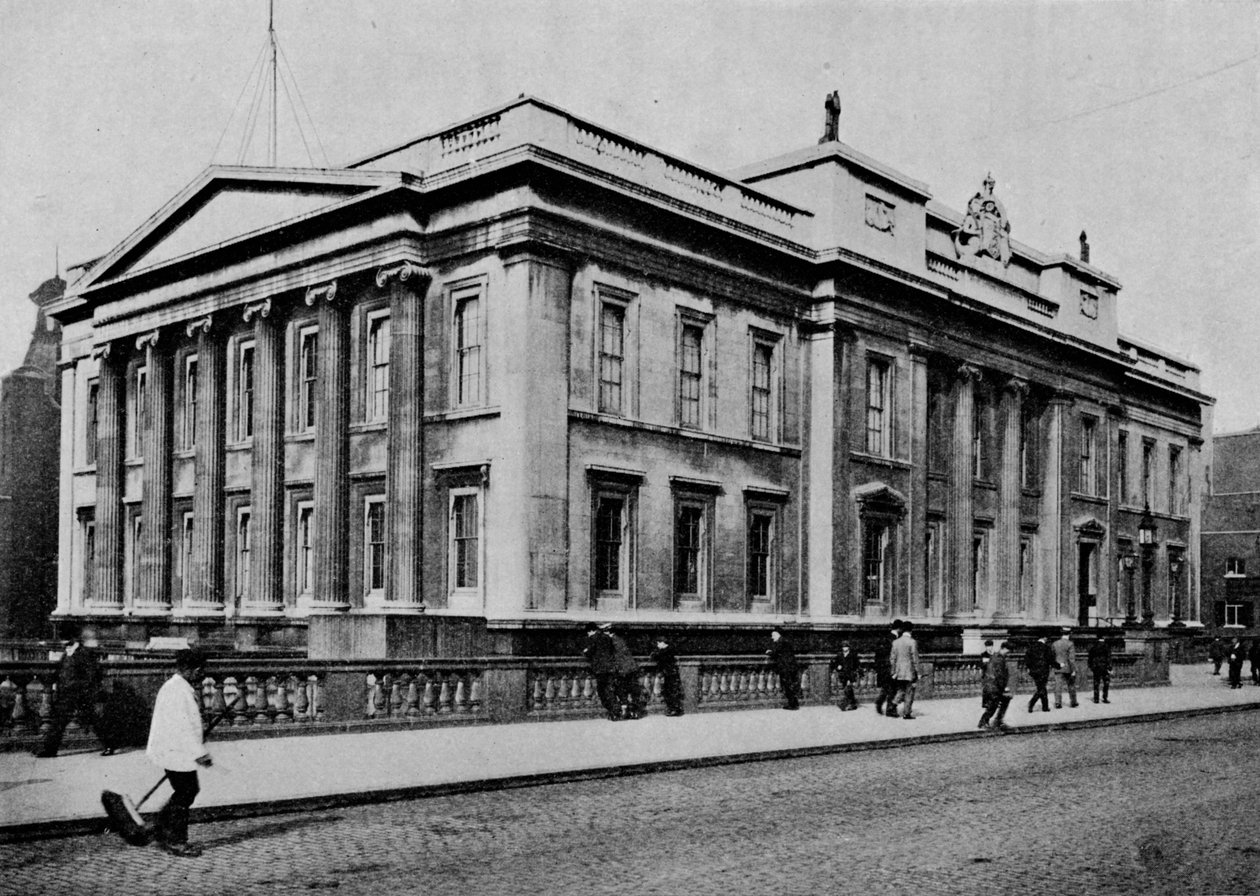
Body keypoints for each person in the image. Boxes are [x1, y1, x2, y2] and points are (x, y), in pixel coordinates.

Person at [146, 649, 212, 857]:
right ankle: (176, 841)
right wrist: (199, 753)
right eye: (201, 670)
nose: (202, 674)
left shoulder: (176, 687)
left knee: (185, 791)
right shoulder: (177, 691)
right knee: (186, 792)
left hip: (174, 749)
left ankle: (161, 830)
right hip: (175, 750)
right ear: (194, 669)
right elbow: (182, 727)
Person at [34, 637, 116, 758]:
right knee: (59, 721)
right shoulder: (67, 653)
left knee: (93, 720)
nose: (63, 644)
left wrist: (81, 688)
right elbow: (61, 673)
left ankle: (109, 745)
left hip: (81, 694)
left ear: (73, 641)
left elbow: (92, 674)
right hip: (67, 694)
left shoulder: (83, 653)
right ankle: (50, 749)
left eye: (66, 641)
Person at [582, 623, 621, 720]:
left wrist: (585, 651)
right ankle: (616, 711)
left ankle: (612, 711)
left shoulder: (593, 638)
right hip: (611, 667)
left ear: (590, 631)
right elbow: (612, 650)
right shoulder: (607, 637)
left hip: (600, 669)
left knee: (602, 690)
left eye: (588, 633)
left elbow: (590, 652)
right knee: (610, 689)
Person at [606, 626, 645, 720]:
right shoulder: (621, 640)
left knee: (621, 690)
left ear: (609, 632)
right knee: (632, 690)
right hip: (630, 668)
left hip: (622, 670)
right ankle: (634, 712)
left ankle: (624, 712)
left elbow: (616, 657)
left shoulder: (612, 641)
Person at [978, 641, 1013, 731]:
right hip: (994, 686)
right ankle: (985, 722)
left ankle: (996, 721)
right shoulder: (999, 659)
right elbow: (999, 675)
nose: (1008, 653)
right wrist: (1004, 687)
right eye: (1008, 651)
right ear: (1004, 649)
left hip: (993, 685)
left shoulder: (997, 657)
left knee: (1000, 702)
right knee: (993, 705)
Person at [889, 620, 920, 720]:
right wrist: (918, 672)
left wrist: (893, 672)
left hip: (899, 671)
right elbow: (915, 659)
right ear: (911, 630)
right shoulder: (912, 642)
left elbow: (892, 658)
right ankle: (907, 713)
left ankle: (893, 703)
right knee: (909, 692)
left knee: (901, 690)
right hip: (909, 671)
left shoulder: (896, 642)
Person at [766, 627, 802, 710]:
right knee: (789, 685)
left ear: (777, 634)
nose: (772, 637)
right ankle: (794, 703)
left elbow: (775, 652)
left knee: (787, 685)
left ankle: (793, 705)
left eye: (773, 635)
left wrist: (769, 652)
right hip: (789, 667)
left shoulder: (781, 642)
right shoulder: (784, 641)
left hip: (786, 667)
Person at [873, 620, 902, 717]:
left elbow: (878, 655)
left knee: (886, 688)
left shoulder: (884, 638)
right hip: (891, 668)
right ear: (899, 629)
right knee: (892, 689)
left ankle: (879, 702)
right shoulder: (895, 640)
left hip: (884, 668)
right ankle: (890, 710)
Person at [650, 636, 684, 717]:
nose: (657, 644)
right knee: (671, 692)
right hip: (671, 674)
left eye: (659, 643)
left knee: (670, 692)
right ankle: (674, 709)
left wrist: (658, 650)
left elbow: (654, 657)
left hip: (668, 674)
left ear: (663, 643)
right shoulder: (669, 650)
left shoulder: (665, 651)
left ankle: (673, 710)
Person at [1051, 628, 1079, 709]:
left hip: (1058, 667)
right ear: (1069, 634)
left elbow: (1053, 656)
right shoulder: (1070, 644)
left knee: (1058, 686)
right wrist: (1073, 670)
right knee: (1071, 685)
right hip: (1068, 668)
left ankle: (1057, 703)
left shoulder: (1055, 643)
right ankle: (1073, 702)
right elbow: (1071, 659)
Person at [1025, 634, 1054, 712]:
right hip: (1043, 671)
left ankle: (1045, 707)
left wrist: (1029, 668)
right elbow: (1051, 660)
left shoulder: (1031, 647)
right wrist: (1059, 665)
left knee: (1041, 688)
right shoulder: (1046, 648)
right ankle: (1031, 703)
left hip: (1034, 671)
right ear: (1044, 638)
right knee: (1041, 689)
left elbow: (1027, 658)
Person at [830, 641, 861, 711]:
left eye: (846, 647)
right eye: (843, 647)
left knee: (847, 688)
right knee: (847, 689)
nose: (844, 648)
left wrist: (855, 672)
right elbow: (834, 663)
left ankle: (846, 704)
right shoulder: (839, 655)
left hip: (850, 674)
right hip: (843, 674)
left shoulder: (853, 655)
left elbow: (857, 665)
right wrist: (838, 666)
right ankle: (853, 704)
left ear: (849, 647)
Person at [1087, 636, 1113, 704]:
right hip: (1105, 667)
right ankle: (1105, 698)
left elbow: (1090, 659)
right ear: (1103, 639)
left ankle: (1096, 699)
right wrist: (1110, 668)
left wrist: (1091, 667)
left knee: (1096, 683)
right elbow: (1109, 658)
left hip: (1096, 668)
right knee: (1106, 683)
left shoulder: (1093, 648)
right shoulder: (1107, 647)